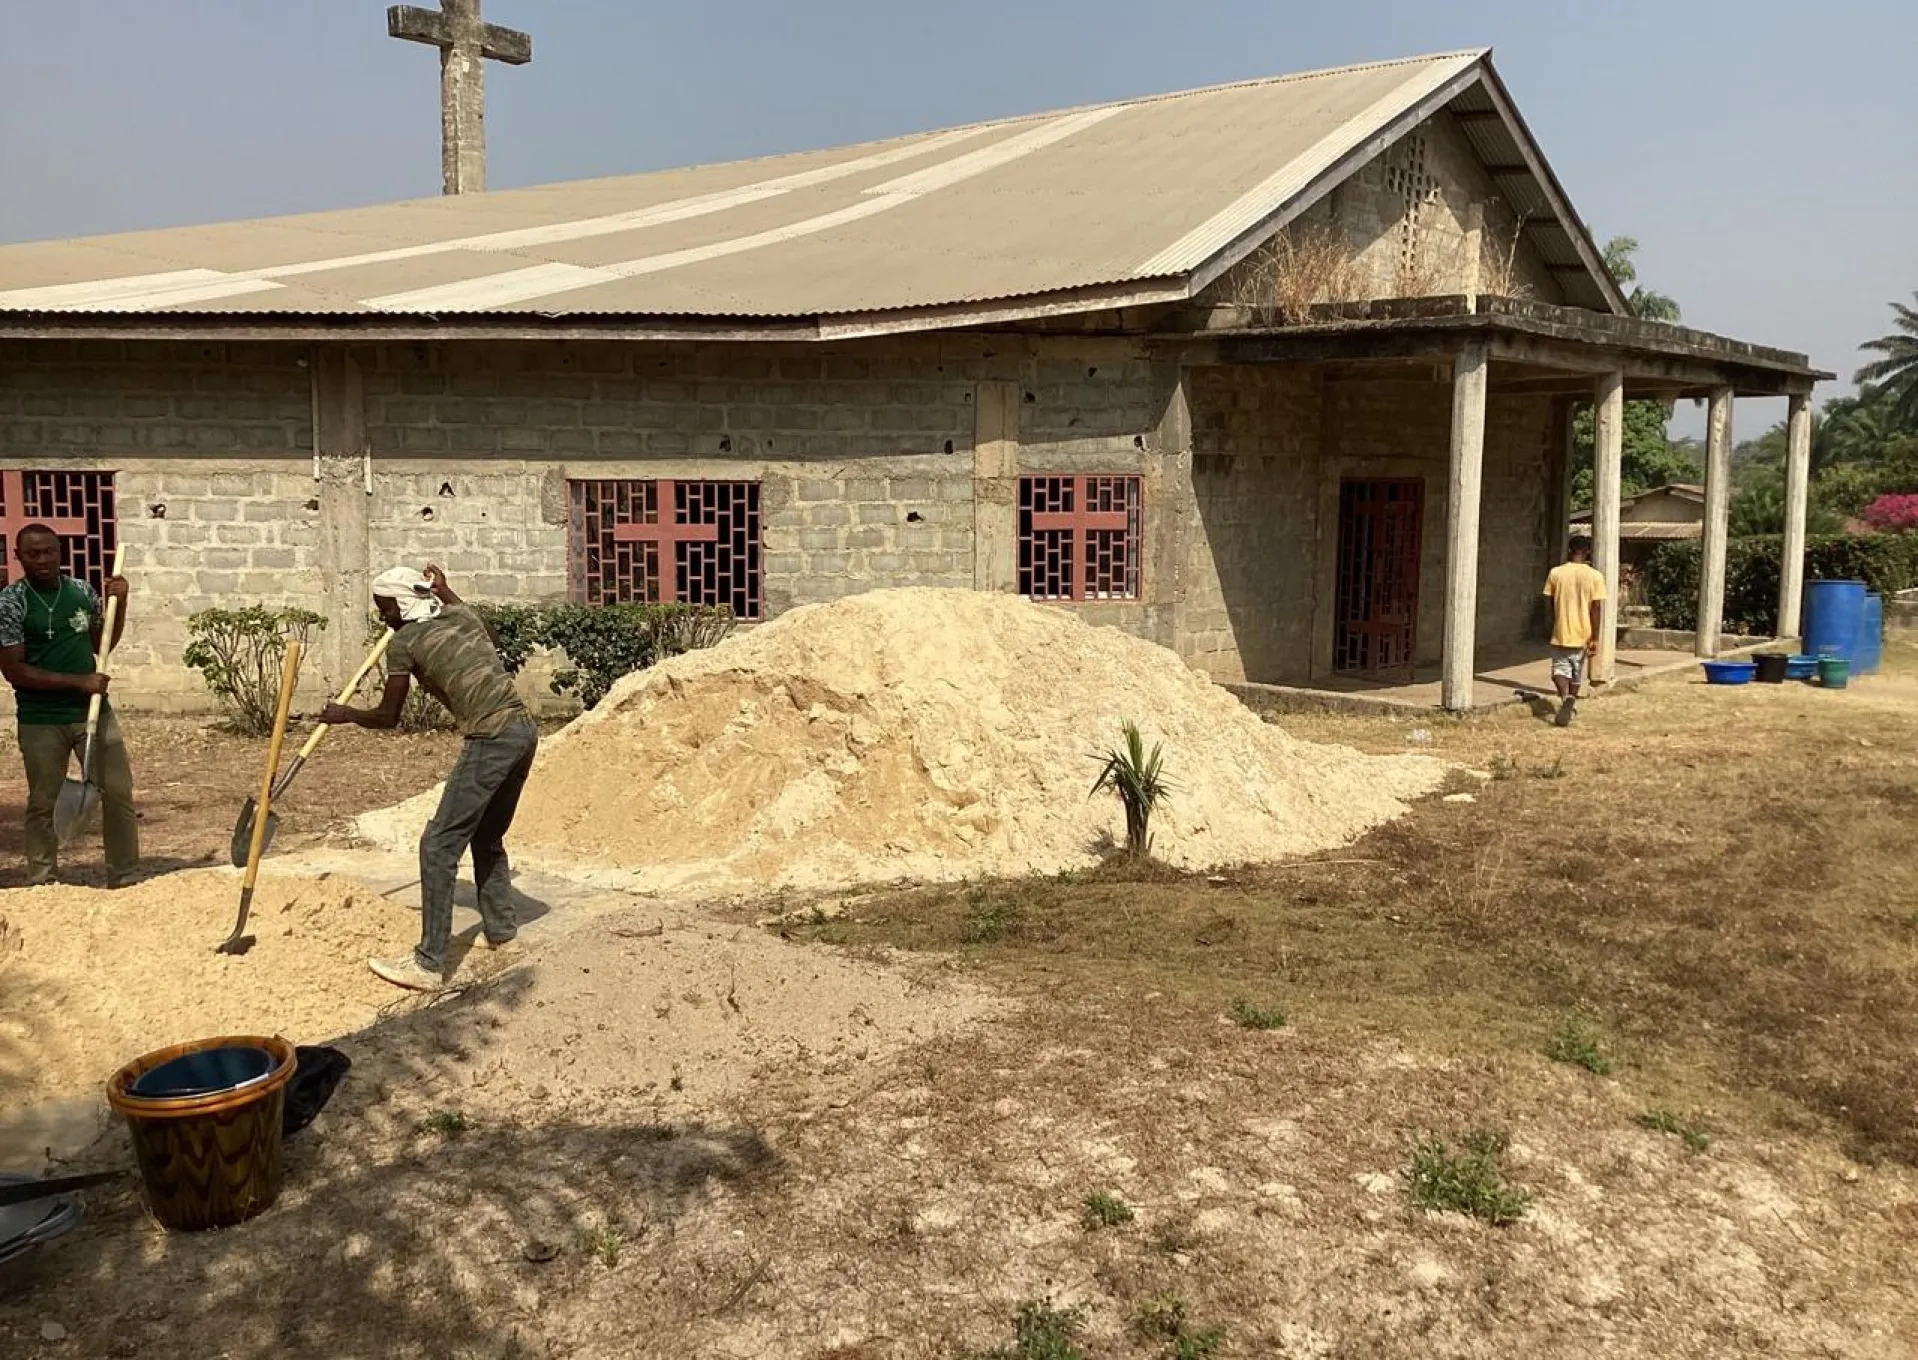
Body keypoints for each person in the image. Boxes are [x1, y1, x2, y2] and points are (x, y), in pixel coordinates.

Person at [321, 564, 536, 991]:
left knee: (438, 845)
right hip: (523, 731)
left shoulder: (404, 642)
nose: (381, 616)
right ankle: (502, 935)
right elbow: (491, 643)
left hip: (491, 737)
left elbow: (388, 717)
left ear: (403, 604)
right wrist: (448, 591)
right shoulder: (459, 615)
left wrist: (345, 715)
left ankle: (428, 962)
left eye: (384, 608)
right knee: (487, 837)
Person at [0, 525, 137, 885]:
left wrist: (119, 605)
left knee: (118, 791)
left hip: (92, 712)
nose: (43, 559)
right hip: (41, 719)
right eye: (33, 553)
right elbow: (14, 670)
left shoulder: (80, 591)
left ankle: (124, 873)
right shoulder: (12, 602)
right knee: (44, 800)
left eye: (49, 551)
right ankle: (43, 876)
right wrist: (80, 681)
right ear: (19, 556)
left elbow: (102, 642)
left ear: (60, 552)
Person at [1541, 535, 1608, 728]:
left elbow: (1549, 603)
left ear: (1569, 551)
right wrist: (1595, 637)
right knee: (1576, 672)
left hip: (1561, 630)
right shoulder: (1595, 576)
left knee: (1559, 671)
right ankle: (1572, 699)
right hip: (1583, 633)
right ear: (1588, 552)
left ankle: (1565, 698)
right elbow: (1596, 608)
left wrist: (1552, 624)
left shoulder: (1555, 573)